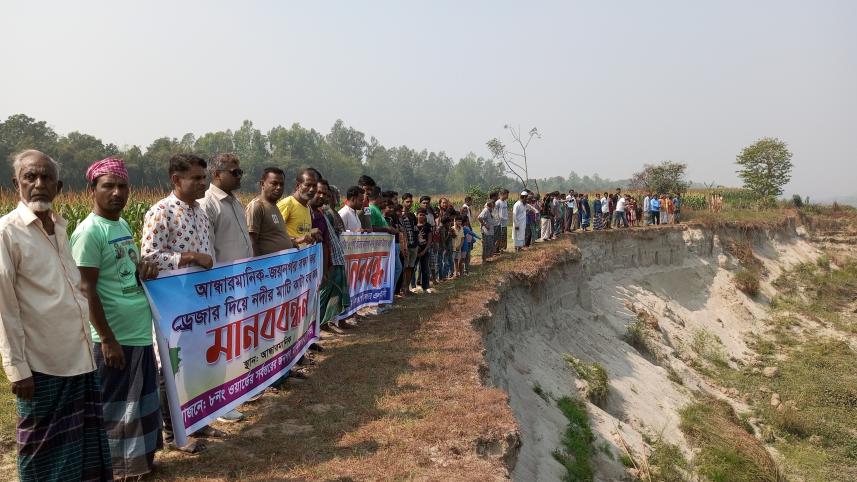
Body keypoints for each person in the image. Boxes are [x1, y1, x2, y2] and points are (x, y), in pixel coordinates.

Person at [0, 150, 112, 481]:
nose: (38, 184)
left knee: (81, 449)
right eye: (29, 177)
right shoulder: (7, 233)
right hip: (42, 364)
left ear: (58, 186)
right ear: (16, 183)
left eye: (46, 178)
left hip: (78, 357)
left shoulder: (60, 228)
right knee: (41, 454)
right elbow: (4, 306)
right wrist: (17, 369)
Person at [71, 158, 163, 479]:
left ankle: (141, 462)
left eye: (122, 186)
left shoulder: (122, 225)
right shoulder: (88, 233)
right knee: (116, 406)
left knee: (139, 402)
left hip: (138, 331)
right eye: (107, 186)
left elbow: (125, 272)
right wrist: (107, 339)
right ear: (92, 190)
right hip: (113, 338)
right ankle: (119, 469)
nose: (116, 192)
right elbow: (87, 290)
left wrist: (144, 269)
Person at [141, 153, 222, 452]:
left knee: (197, 362)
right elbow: (148, 259)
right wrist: (187, 258)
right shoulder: (160, 212)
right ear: (176, 179)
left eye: (204, 177)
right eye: (197, 178)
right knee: (171, 366)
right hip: (172, 307)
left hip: (199, 303)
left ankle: (199, 421)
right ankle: (173, 432)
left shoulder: (200, 211)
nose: (203, 183)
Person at [199, 153, 256, 421]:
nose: (239, 176)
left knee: (236, 340)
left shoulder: (234, 201)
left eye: (240, 171)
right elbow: (208, 250)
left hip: (240, 283)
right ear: (217, 175)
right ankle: (219, 401)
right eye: (235, 172)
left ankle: (234, 390)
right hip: (222, 288)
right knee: (219, 344)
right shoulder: (208, 204)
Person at [246, 167, 295, 257]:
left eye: (281, 184)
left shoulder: (274, 206)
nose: (279, 187)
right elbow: (251, 242)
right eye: (274, 183)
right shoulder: (257, 206)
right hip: (266, 267)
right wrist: (257, 266)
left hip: (280, 266)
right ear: (262, 184)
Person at [278, 168, 320, 247]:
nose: (311, 189)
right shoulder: (287, 204)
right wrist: (296, 240)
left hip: (301, 258)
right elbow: (274, 235)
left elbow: (299, 233)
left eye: (314, 186)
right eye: (307, 185)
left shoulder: (307, 207)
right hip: (288, 258)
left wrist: (310, 234)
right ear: (298, 186)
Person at [399, 194, 419, 297]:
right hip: (406, 246)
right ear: (402, 201)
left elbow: (415, 229)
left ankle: (407, 287)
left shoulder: (412, 215)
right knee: (404, 267)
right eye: (407, 201)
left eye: (411, 202)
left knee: (411, 267)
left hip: (414, 244)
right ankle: (403, 289)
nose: (409, 203)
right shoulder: (400, 215)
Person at [414, 208, 433, 293]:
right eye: (420, 214)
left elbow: (429, 239)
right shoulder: (413, 225)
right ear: (417, 215)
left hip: (424, 250)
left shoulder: (428, 226)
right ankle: (413, 286)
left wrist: (424, 250)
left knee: (425, 268)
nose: (422, 216)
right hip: (414, 250)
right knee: (413, 268)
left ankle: (426, 286)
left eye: (423, 215)